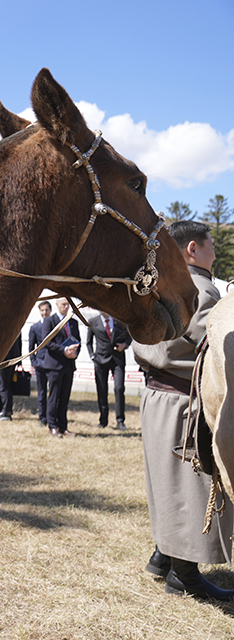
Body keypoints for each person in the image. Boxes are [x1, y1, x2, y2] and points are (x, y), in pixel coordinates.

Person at [134, 220, 234, 601]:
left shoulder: (154, 280)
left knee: (166, 481)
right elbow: (216, 347)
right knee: (188, 487)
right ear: (193, 248)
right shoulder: (201, 289)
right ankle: (184, 574)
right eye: (211, 245)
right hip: (184, 400)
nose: (215, 252)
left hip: (158, 396)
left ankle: (163, 556)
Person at [86, 311, 131, 430]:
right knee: (102, 390)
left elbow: (130, 335)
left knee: (119, 388)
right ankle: (103, 420)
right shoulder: (93, 321)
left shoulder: (119, 320)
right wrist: (92, 356)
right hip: (100, 360)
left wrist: (125, 345)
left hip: (117, 360)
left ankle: (120, 421)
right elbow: (88, 342)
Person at [41, 298, 79, 437]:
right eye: (63, 304)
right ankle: (52, 426)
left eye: (67, 304)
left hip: (68, 365)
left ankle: (63, 426)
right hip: (55, 365)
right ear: (57, 305)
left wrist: (74, 353)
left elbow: (77, 341)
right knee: (54, 397)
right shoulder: (50, 321)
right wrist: (64, 350)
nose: (66, 307)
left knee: (64, 398)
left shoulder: (73, 322)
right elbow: (46, 342)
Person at [28, 301, 53, 426]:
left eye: (46, 310)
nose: (45, 312)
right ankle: (42, 417)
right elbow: (31, 347)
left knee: (53, 392)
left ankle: (51, 416)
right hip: (40, 363)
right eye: (42, 310)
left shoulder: (55, 325)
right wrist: (34, 362)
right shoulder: (35, 327)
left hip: (53, 363)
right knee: (42, 392)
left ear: (51, 310)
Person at [0, 334, 22, 421]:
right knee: (6, 386)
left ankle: (6, 412)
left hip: (4, 360)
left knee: (3, 386)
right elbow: (19, 343)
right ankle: (5, 410)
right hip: (13, 359)